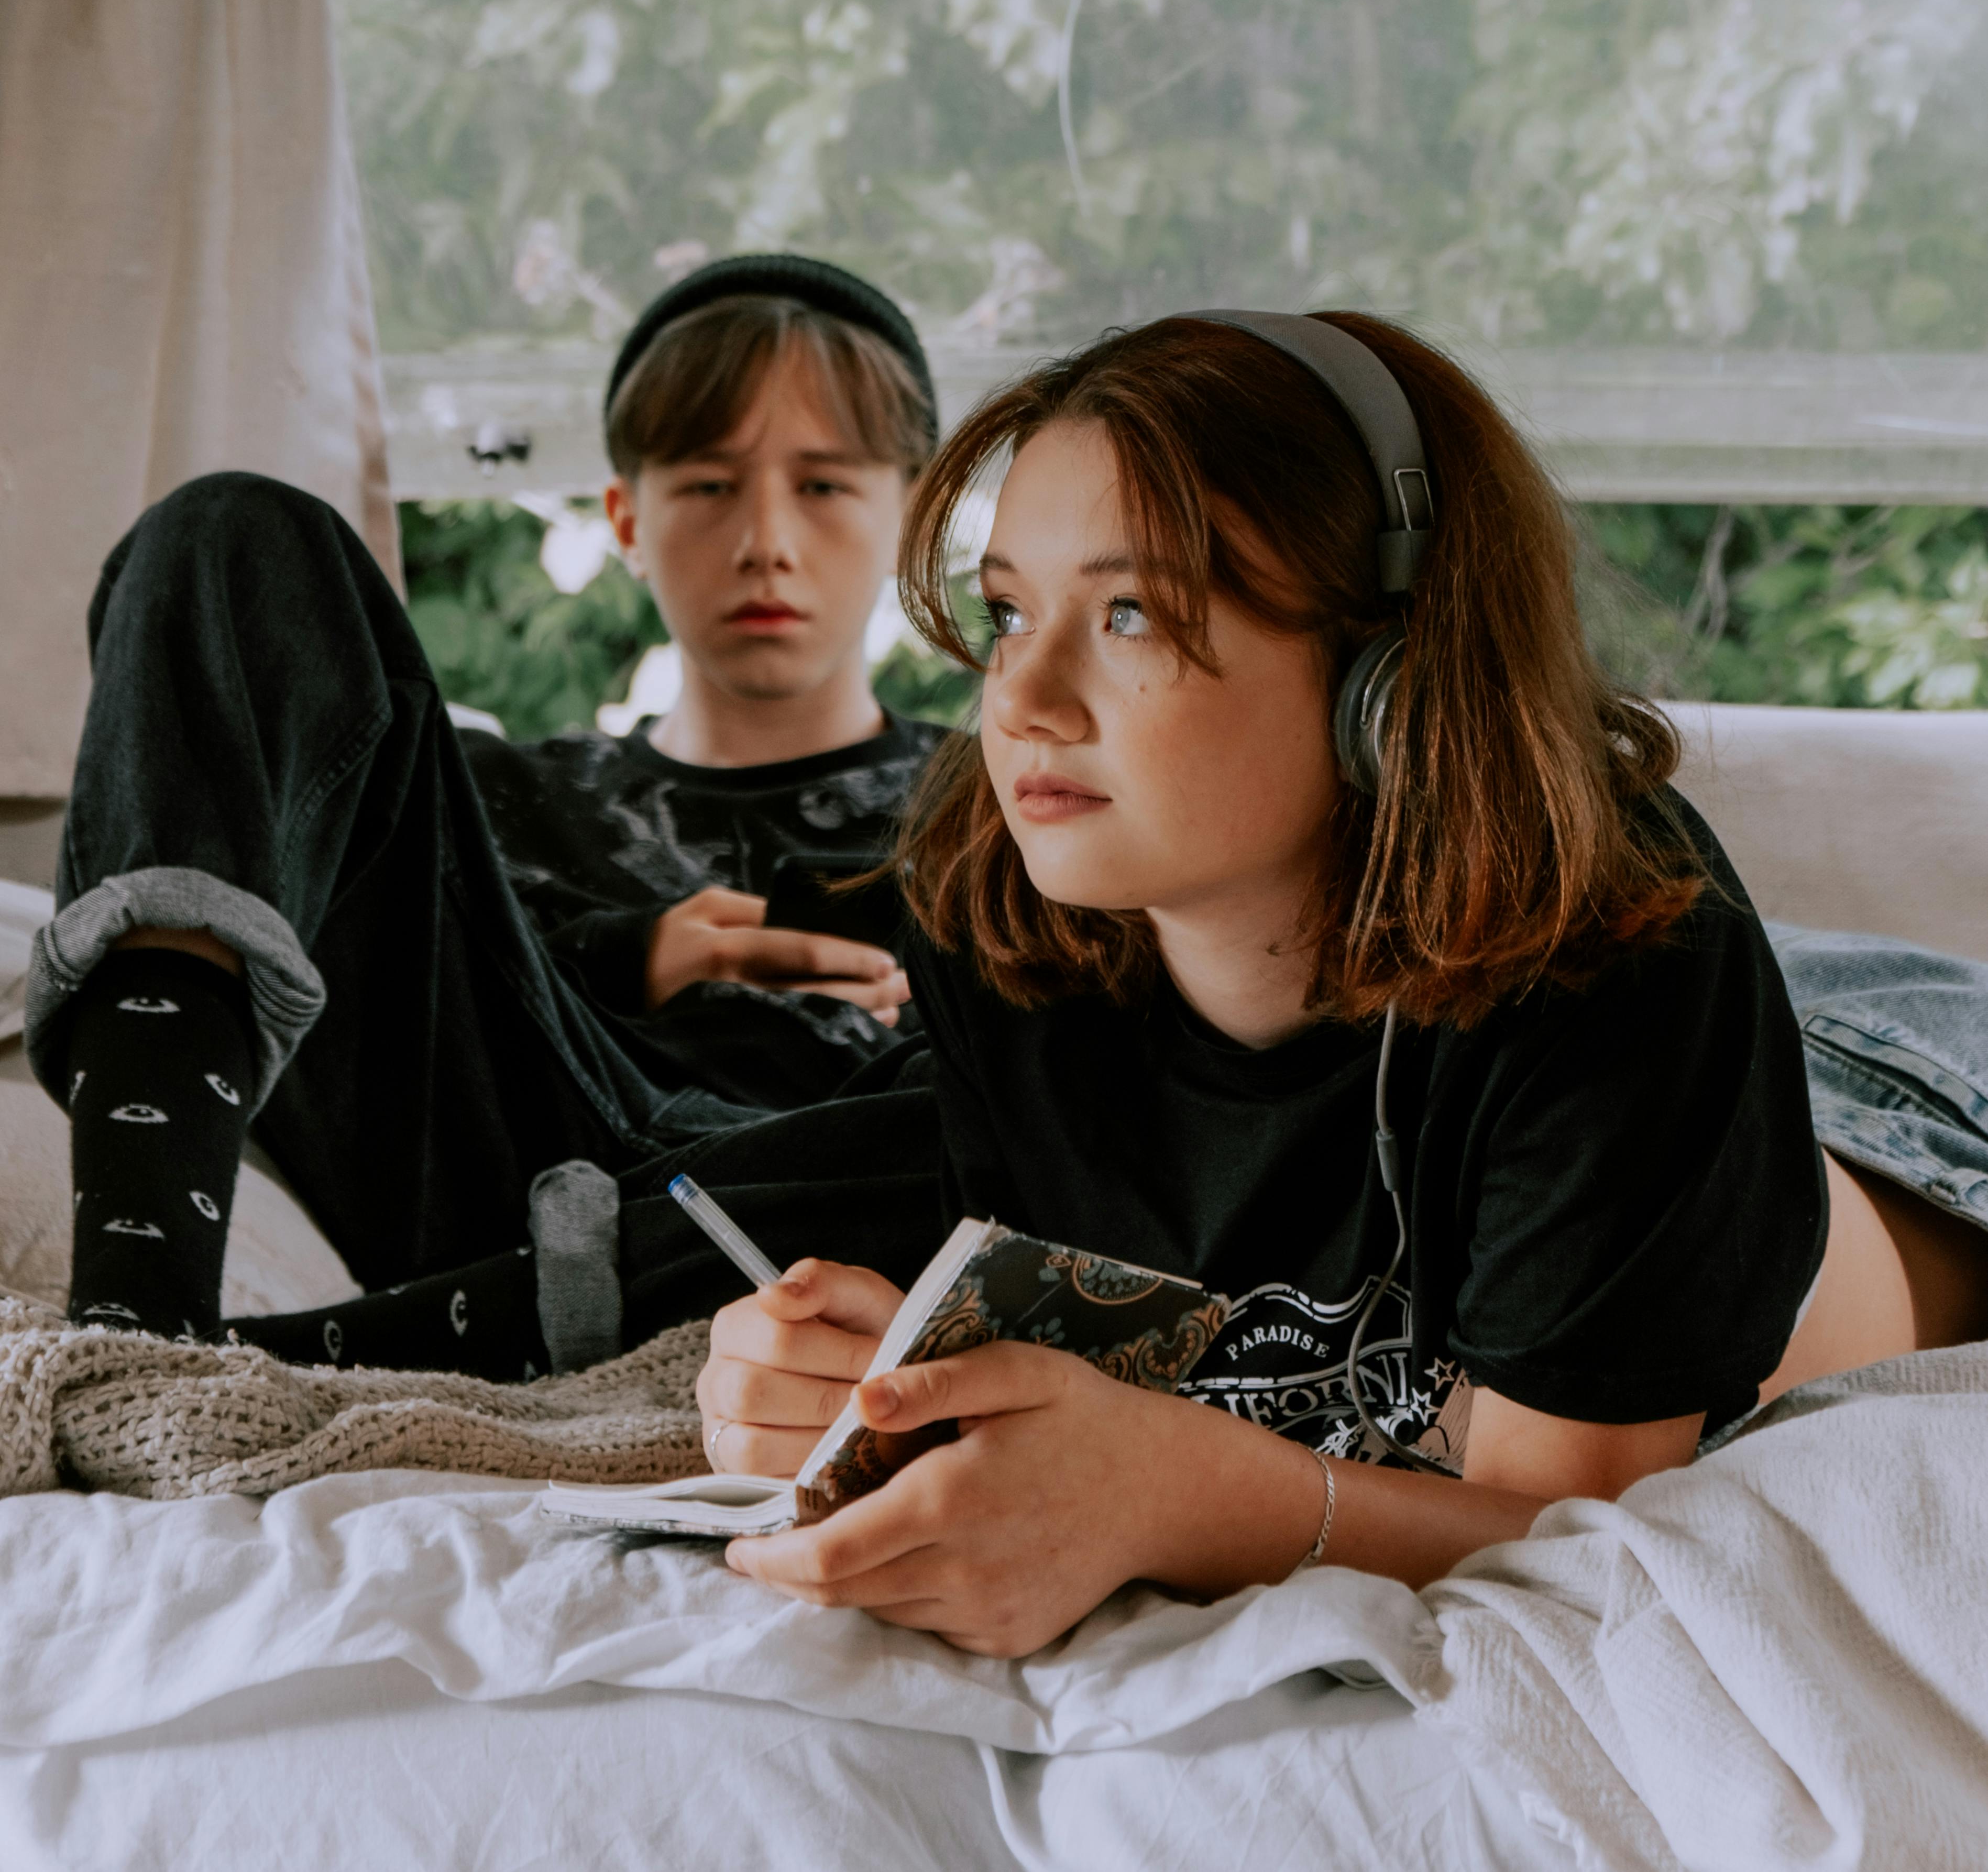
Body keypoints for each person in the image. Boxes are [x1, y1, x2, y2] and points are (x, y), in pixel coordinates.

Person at [695, 310, 1988, 1656]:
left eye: (1129, 611)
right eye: (1010, 608)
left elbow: (1570, 1529)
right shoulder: (995, 875)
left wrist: (1171, 1496)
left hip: (1905, 1110)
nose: (1021, 695)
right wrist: (853, 1383)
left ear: (1387, 671)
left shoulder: (1622, 952)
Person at [24, 255, 951, 1373]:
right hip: (508, 1162)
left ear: (911, 516)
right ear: (623, 515)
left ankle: (336, 1345)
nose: (765, 539)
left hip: (838, 1212)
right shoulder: (493, 793)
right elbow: (409, 1017)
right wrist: (622, 957)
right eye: (707, 483)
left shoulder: (999, 798)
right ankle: (134, 1344)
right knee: (227, 535)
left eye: (825, 483)